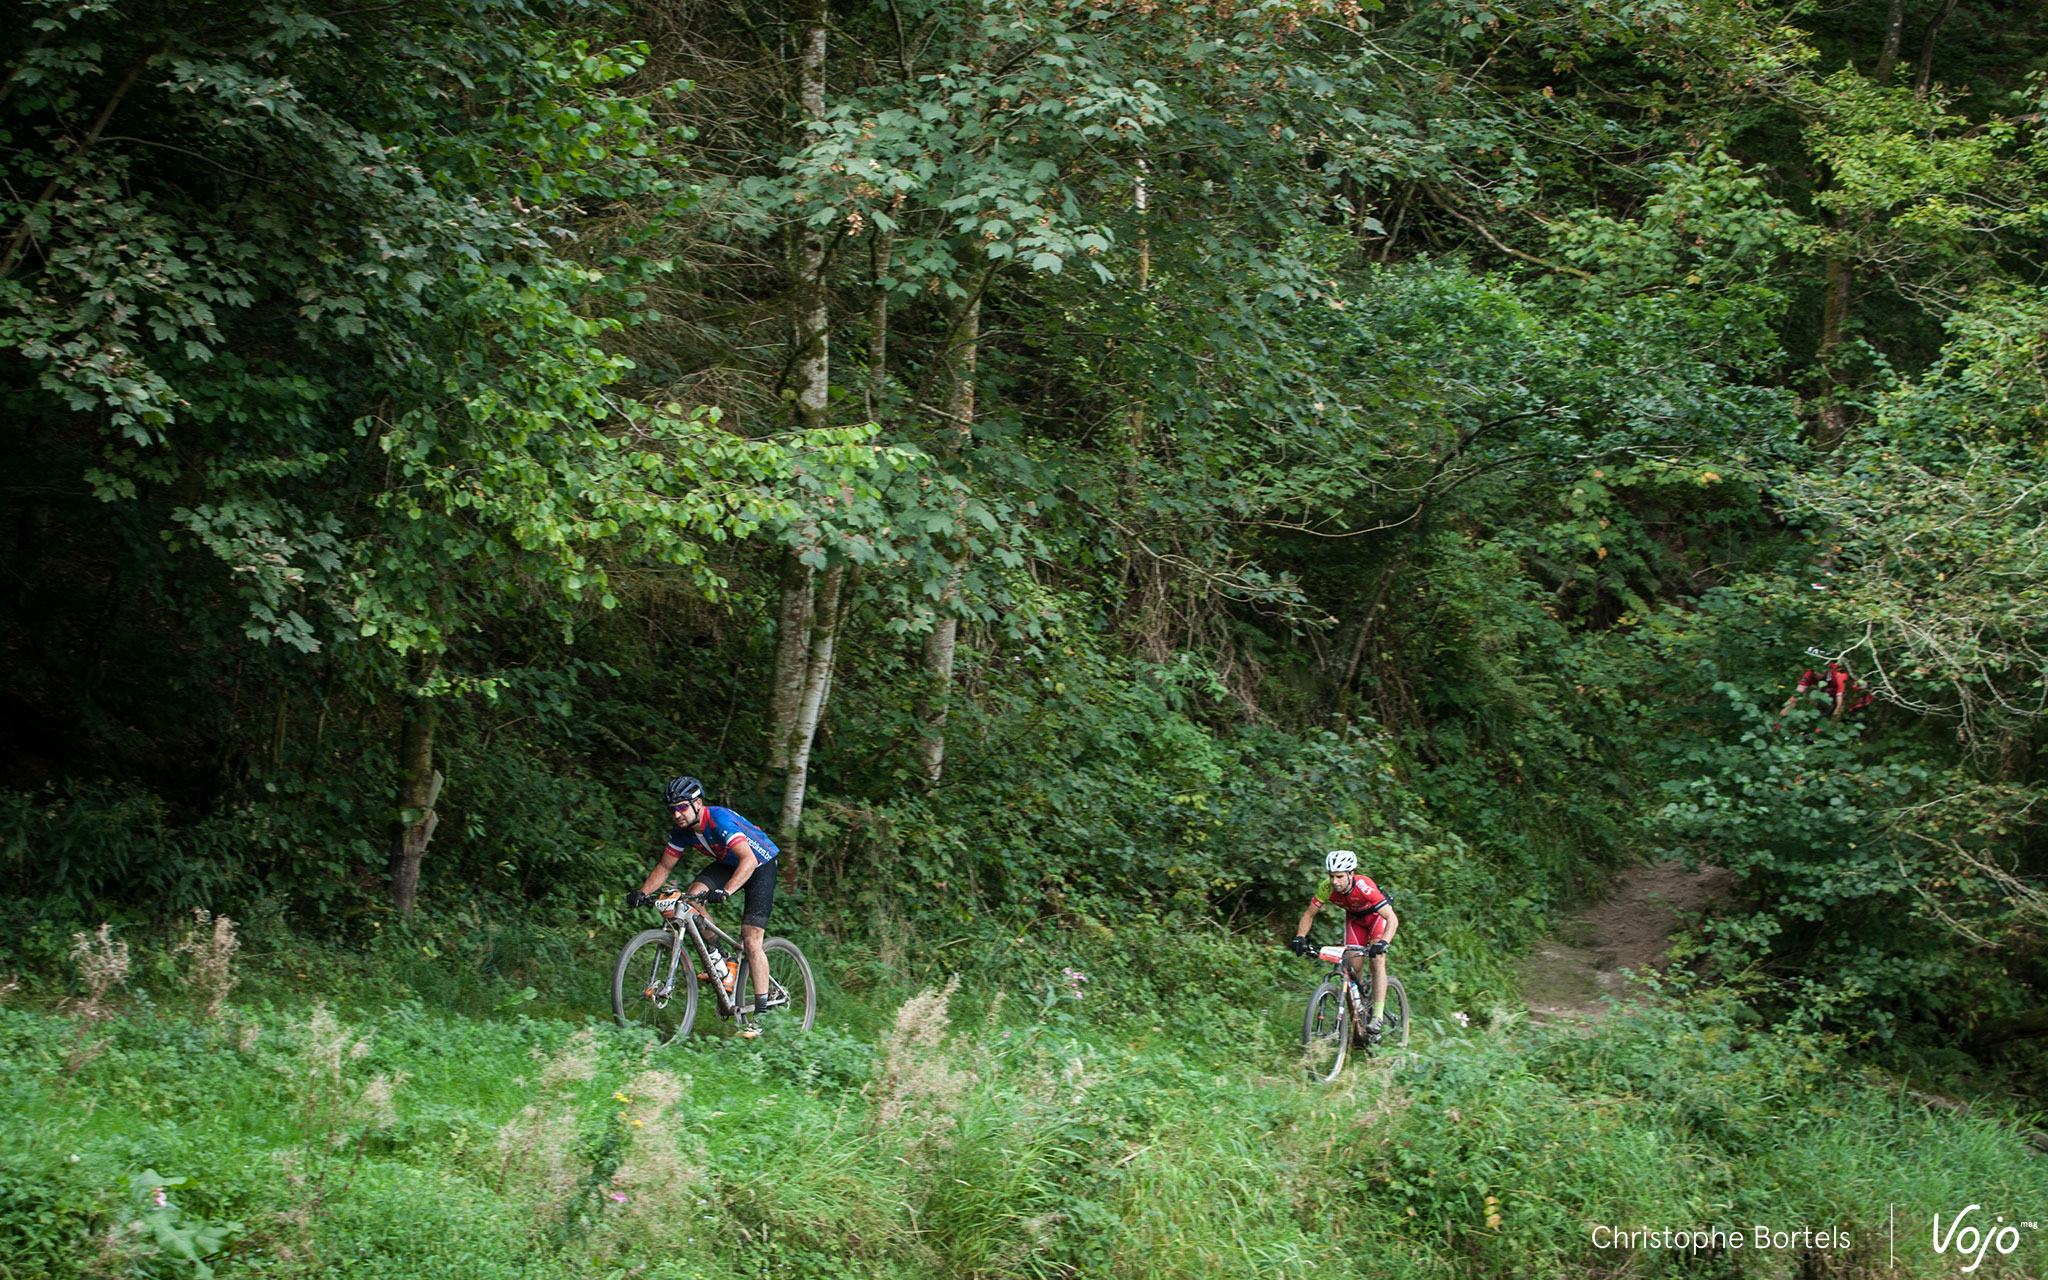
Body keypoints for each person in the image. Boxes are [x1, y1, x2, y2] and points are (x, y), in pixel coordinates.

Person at [626, 776, 784, 1036]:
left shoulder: (719, 820)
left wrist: (727, 891)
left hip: (759, 864)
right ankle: (721, 963)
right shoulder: (682, 831)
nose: (677, 814)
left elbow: (748, 860)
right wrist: (642, 892)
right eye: (672, 809)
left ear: (697, 804)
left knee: (752, 940)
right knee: (692, 899)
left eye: (681, 807)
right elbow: (665, 867)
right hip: (727, 862)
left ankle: (762, 1015)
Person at [1289, 849, 1399, 1038]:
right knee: (1352, 969)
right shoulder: (1327, 888)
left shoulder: (1365, 886)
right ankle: (1357, 1022)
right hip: (1355, 920)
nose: (1334, 881)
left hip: (1376, 918)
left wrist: (1383, 943)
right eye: (1331, 876)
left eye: (1339, 876)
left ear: (1351, 874)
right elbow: (1309, 914)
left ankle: (1378, 1015)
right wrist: (1300, 937)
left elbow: (1392, 918)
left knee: (1377, 960)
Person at [1780, 657, 1872, 721]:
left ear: (1828, 667)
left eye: (1819, 670)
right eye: (1814, 669)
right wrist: (1783, 714)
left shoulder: (1839, 674)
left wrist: (1833, 722)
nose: (1816, 673)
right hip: (1834, 699)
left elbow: (1840, 703)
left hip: (1856, 700)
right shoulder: (1810, 673)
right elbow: (1796, 695)